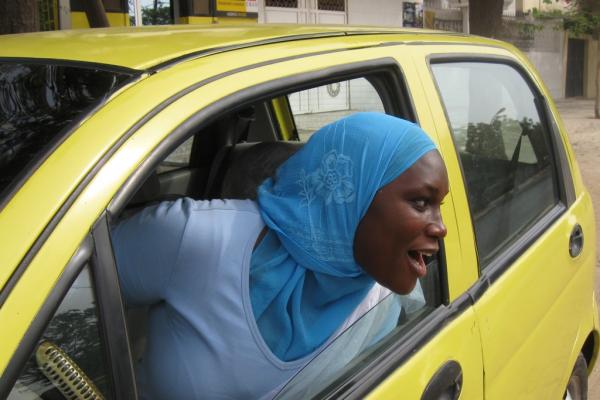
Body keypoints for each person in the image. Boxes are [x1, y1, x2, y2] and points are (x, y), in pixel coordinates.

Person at [111, 112, 449, 399]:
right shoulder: (196, 237)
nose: (442, 228)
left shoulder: (380, 304)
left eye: (439, 206)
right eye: (421, 202)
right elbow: (71, 289)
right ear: (354, 195)